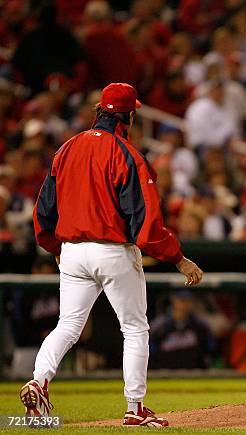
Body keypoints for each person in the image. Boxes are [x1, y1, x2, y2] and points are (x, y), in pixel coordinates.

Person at [21, 83, 204, 427]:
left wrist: (54, 247)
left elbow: (44, 208)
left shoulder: (66, 149)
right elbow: (145, 221)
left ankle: (39, 380)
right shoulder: (127, 153)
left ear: (99, 111)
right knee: (134, 329)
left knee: (68, 325)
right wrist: (178, 258)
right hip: (112, 251)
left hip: (72, 252)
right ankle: (135, 408)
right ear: (129, 116)